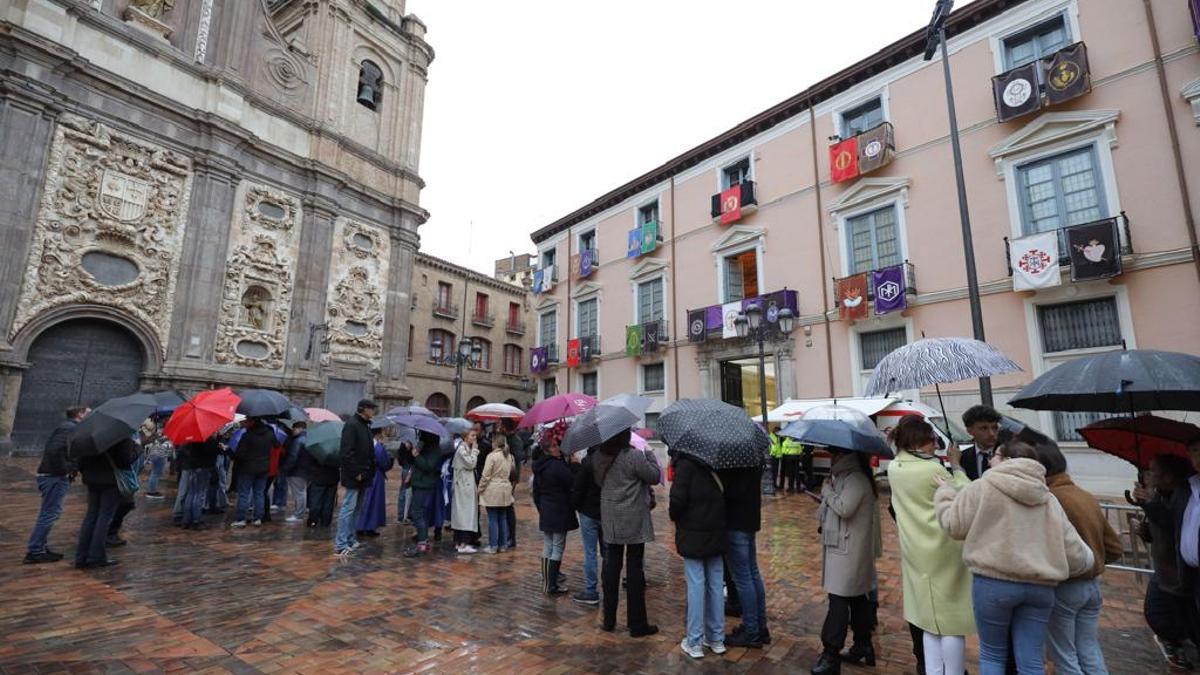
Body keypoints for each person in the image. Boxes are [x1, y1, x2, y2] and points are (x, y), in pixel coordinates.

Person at [934, 440, 1094, 675]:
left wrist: (945, 494)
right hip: (1040, 587)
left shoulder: (983, 486)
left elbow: (953, 525)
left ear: (1007, 460)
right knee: (1030, 660)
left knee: (992, 654)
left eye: (996, 455)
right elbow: (1077, 554)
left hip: (993, 583)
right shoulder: (1047, 498)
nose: (990, 460)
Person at [887, 415, 974, 675]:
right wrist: (956, 466)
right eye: (930, 440)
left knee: (927, 620)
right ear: (919, 441)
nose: (933, 446)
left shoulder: (895, 467)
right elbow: (965, 495)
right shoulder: (930, 469)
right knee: (951, 621)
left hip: (915, 550)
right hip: (943, 549)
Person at [1037, 440, 1123, 675]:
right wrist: (1093, 563)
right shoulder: (1083, 495)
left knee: (1065, 656)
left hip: (1066, 585)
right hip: (1091, 585)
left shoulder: (1051, 500)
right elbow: (1114, 547)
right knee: (1089, 650)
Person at [811, 449, 881, 675]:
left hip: (848, 551)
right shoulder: (846, 477)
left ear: (846, 456)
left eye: (835, 454)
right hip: (845, 548)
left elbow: (844, 508)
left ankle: (831, 656)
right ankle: (863, 645)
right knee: (857, 599)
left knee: (839, 600)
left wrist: (827, 492)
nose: (831, 457)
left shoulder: (857, 479)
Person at [1131, 454, 1195, 670]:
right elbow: (1158, 531)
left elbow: (1175, 526)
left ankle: (1185, 651)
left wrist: (1150, 504)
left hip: (1181, 572)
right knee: (1156, 613)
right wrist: (1144, 530)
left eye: (1153, 471)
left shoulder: (1186, 495)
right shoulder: (1159, 495)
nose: (1148, 475)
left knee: (1182, 619)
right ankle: (1180, 649)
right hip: (1164, 569)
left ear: (1168, 476)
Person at [595, 428, 659, 637]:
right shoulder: (633, 456)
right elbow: (654, 476)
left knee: (611, 569)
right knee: (634, 571)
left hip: (611, 519)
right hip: (633, 519)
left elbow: (598, 482)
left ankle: (609, 619)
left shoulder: (599, 457)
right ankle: (637, 623)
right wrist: (649, 453)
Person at [669, 450, 727, 659]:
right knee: (715, 586)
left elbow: (677, 501)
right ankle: (716, 638)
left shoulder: (685, 466)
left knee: (696, 586)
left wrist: (675, 516)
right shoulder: (718, 462)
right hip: (717, 532)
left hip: (693, 534)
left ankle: (694, 641)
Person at [24, 406, 88, 564]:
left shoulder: (70, 427)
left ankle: (41, 546)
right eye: (88, 413)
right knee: (50, 513)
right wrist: (65, 471)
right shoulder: (69, 428)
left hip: (54, 475)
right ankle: (35, 550)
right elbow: (54, 450)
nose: (90, 416)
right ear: (80, 414)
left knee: (49, 512)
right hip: (54, 476)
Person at [721, 456, 769, 648]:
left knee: (743, 579)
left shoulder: (734, 459)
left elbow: (732, 492)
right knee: (753, 575)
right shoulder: (752, 455)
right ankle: (760, 627)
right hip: (749, 520)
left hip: (736, 523)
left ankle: (751, 631)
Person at [74, 437, 139, 569]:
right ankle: (96, 556)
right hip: (110, 482)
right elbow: (124, 461)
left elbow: (80, 460)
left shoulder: (91, 435)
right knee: (104, 518)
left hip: (92, 479)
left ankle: (81, 556)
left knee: (91, 517)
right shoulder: (120, 436)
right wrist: (137, 450)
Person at [534, 436, 578, 596]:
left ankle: (547, 582)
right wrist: (573, 466)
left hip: (547, 509)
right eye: (554, 446)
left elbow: (535, 492)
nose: (557, 448)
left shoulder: (540, 466)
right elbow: (572, 482)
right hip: (559, 510)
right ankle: (551, 583)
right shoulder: (556, 467)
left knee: (548, 545)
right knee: (557, 547)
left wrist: (541, 508)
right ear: (548, 449)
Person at [334, 399, 377, 557]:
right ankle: (341, 543)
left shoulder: (365, 425)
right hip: (355, 475)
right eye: (371, 409)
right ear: (363, 409)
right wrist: (355, 472)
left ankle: (351, 538)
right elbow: (346, 453)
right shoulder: (352, 425)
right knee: (348, 508)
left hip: (364, 475)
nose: (373, 411)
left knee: (357, 509)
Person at [571, 447, 604, 606]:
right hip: (606, 512)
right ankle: (608, 585)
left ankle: (591, 590)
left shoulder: (587, 463)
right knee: (608, 552)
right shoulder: (611, 462)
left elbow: (578, 488)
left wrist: (577, 506)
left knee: (590, 553)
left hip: (588, 512)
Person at [405, 431, 444, 556]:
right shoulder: (424, 447)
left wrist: (417, 456)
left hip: (424, 484)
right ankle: (423, 541)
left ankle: (422, 543)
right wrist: (411, 451)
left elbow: (428, 466)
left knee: (417, 512)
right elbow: (414, 462)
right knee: (418, 512)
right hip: (419, 482)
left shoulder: (435, 450)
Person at [232, 418, 274, 527]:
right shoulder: (269, 434)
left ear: (252, 422)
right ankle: (258, 518)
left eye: (247, 421)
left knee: (244, 494)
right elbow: (276, 444)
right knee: (259, 494)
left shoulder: (247, 436)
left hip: (247, 468)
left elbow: (239, 454)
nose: (245, 423)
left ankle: (241, 519)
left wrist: (229, 451)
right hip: (263, 468)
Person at [478, 432, 515, 554]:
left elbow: (486, 475)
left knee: (493, 518)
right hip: (505, 489)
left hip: (493, 489)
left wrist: (480, 489)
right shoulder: (509, 456)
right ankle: (503, 544)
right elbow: (512, 473)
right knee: (503, 518)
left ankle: (493, 545)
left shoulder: (492, 456)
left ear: (495, 442)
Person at [356, 427, 394, 537]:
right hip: (376, 476)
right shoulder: (378, 446)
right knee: (373, 502)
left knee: (364, 500)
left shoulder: (364, 444)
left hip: (365, 474)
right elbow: (384, 464)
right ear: (378, 434)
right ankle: (369, 527)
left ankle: (360, 525)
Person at [451, 429, 480, 554]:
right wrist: (475, 451)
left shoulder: (464, 448)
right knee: (464, 514)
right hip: (463, 486)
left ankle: (460, 541)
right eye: (472, 435)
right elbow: (471, 463)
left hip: (465, 484)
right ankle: (463, 543)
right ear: (465, 437)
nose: (474, 438)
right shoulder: (462, 449)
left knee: (464, 513)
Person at [180, 437, 219, 530]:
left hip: (193, 466)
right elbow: (211, 453)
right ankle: (197, 520)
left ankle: (186, 520)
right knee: (199, 494)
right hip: (203, 467)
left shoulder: (191, 439)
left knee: (191, 493)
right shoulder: (208, 440)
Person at [960, 405, 1002, 482]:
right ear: (970, 431)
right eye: (984, 428)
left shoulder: (1008, 453)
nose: (991, 433)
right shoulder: (963, 457)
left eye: (994, 428)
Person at [281, 422, 308, 523]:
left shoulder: (298, 440)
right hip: (304, 470)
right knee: (302, 492)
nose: (293, 431)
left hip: (296, 470)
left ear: (299, 428)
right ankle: (300, 513)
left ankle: (298, 514)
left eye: (294, 429)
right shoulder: (307, 438)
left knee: (299, 493)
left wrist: (285, 468)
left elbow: (293, 457)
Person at [140, 418, 172, 499]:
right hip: (160, 453)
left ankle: (152, 490)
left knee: (155, 473)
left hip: (156, 453)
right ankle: (152, 492)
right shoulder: (164, 431)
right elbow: (160, 440)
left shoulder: (158, 429)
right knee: (156, 473)